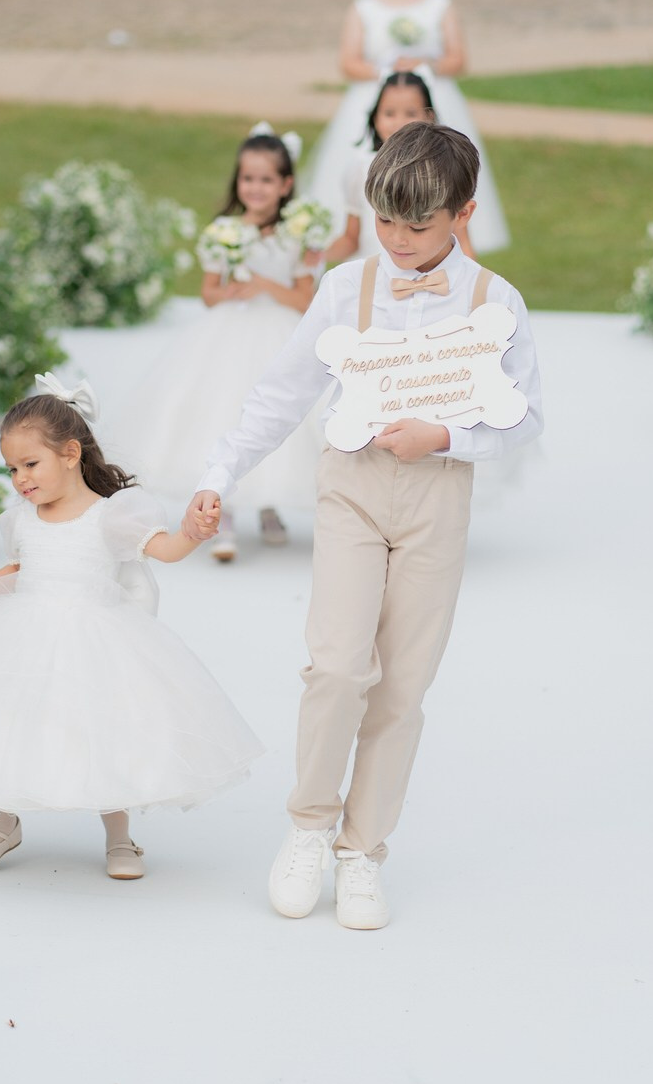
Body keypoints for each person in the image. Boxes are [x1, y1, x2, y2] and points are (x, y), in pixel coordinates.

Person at [185, 123, 543, 930]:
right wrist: (219, 474)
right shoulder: (347, 287)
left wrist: (444, 436)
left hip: (437, 496)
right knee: (338, 668)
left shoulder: (495, 302)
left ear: (462, 214)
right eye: (383, 221)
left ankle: (361, 850)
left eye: (417, 225)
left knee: (403, 686)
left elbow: (524, 416)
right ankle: (308, 827)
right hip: (350, 487)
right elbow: (282, 391)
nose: (397, 240)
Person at [0, 375, 262, 879]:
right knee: (4, 723)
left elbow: (164, 550)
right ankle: (3, 821)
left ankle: (120, 836)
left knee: (107, 730)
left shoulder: (111, 515)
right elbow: (22, 567)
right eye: (12, 468)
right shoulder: (22, 519)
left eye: (31, 464)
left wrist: (192, 533)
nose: (20, 479)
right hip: (22, 637)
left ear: (71, 453)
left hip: (96, 640)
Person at [122, 124, 327, 563]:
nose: (255, 187)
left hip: (280, 330)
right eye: (248, 178)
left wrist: (263, 284)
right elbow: (208, 293)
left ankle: (269, 507)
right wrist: (231, 292)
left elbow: (305, 299)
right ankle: (224, 513)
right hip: (231, 331)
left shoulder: (299, 234)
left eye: (266, 179)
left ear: (286, 184)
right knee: (226, 409)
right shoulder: (224, 230)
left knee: (278, 412)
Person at [303, 0, 509, 258]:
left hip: (428, 93)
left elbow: (458, 59)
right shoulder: (364, 7)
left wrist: (425, 65)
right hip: (379, 92)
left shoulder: (439, 4)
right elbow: (348, 62)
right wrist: (387, 70)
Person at [323, 69, 438, 264]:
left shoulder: (439, 169)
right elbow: (351, 238)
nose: (399, 123)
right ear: (375, 117)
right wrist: (315, 257)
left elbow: (461, 241)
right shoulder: (360, 169)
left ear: (429, 117)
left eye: (410, 113)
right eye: (389, 113)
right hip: (373, 273)